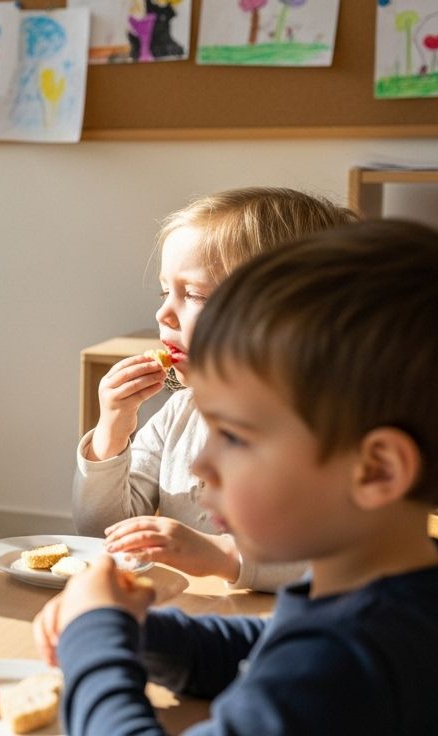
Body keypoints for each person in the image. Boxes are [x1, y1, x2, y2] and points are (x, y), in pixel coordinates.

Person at [36, 220, 438, 735]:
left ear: (377, 469)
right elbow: (270, 649)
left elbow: (309, 665)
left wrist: (95, 642)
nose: (201, 466)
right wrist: (146, 634)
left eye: (236, 437)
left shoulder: (346, 658)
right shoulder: (416, 589)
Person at [73, 187, 356, 591]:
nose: (163, 313)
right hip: (193, 615)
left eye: (194, 295)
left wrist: (223, 556)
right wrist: (111, 435)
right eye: (165, 292)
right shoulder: (181, 413)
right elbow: (104, 532)